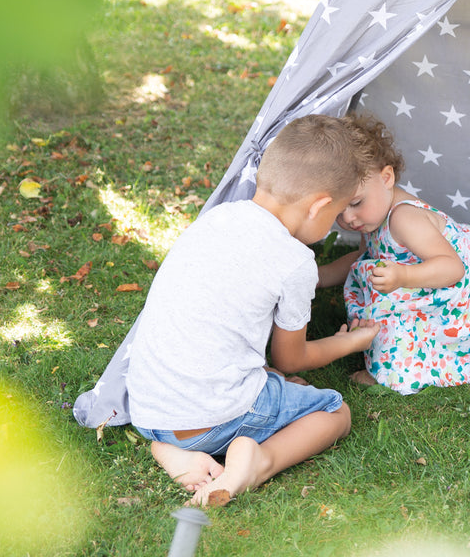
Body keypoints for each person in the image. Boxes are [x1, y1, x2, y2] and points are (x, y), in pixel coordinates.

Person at [124, 115, 378, 508]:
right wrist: (351, 342)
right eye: (337, 213)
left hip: (148, 406)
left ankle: (169, 449)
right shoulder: (294, 261)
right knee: (333, 411)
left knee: (275, 379)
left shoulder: (218, 218)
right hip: (209, 418)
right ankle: (258, 461)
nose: (336, 224)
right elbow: (290, 357)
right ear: (319, 206)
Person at [319, 113, 470, 394]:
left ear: (387, 177)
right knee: (388, 314)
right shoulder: (371, 217)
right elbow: (363, 258)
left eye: (356, 203)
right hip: (426, 284)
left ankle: (391, 374)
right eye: (338, 210)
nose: (349, 218)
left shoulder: (403, 218)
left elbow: (451, 268)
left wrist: (403, 275)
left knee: (392, 328)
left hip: (460, 292)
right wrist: (321, 276)